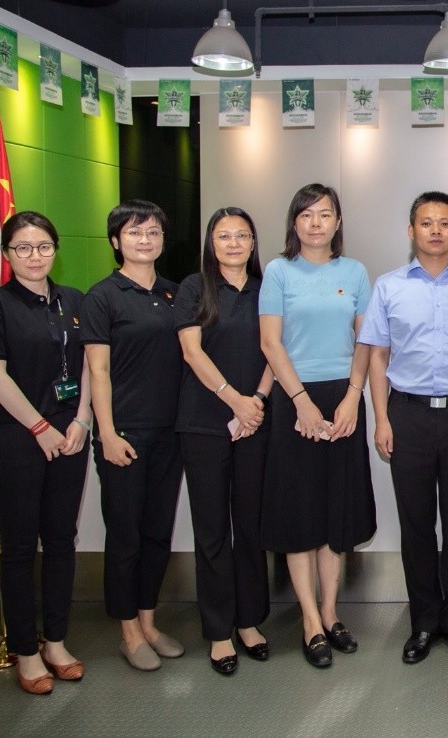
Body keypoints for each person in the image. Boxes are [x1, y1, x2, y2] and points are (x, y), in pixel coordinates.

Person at [359, 191, 448, 664]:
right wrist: (382, 418)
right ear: (411, 231)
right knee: (415, 525)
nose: (436, 230)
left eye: (445, 223)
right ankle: (424, 623)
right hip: (408, 415)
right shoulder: (388, 287)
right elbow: (377, 355)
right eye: (427, 223)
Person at [0, 212, 91, 695]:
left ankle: (56, 643)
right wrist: (40, 427)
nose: (34, 256)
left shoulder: (74, 301)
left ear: (55, 250)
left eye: (43, 246)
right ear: (7, 254)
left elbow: (90, 366)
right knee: (20, 549)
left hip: (71, 436)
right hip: (18, 439)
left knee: (62, 541)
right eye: (23, 247)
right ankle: (26, 651)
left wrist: (82, 420)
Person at [258, 184, 375, 669]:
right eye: (306, 214)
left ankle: (331, 612)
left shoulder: (355, 272)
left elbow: (366, 341)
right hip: (295, 399)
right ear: (294, 222)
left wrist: (353, 397)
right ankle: (309, 619)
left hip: (343, 399)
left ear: (337, 222)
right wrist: (301, 402)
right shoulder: (278, 271)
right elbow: (270, 343)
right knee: (300, 513)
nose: (315, 223)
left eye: (324, 214)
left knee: (335, 513)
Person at [82, 200, 186, 672]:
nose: (145, 240)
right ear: (115, 241)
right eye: (134, 232)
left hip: (170, 433)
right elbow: (97, 371)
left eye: (153, 232)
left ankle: (148, 622)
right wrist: (105, 432)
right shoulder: (102, 297)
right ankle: (127, 632)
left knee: (157, 533)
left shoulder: (175, 293)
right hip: (123, 434)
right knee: (125, 536)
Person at [176, 207, 275, 676]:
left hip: (256, 420)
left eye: (242, 235)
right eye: (223, 235)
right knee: (213, 529)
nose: (233, 243)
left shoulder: (267, 288)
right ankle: (219, 631)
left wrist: (256, 402)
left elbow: (277, 350)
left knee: (251, 524)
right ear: (210, 243)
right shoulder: (194, 288)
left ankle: (249, 621)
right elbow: (191, 351)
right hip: (204, 423)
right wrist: (234, 400)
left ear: (253, 242)